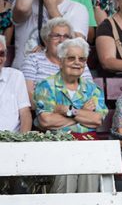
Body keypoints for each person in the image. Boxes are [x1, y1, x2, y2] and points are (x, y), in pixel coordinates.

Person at [34, 37, 107, 191]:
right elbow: (46, 121)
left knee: (89, 194)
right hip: (59, 149)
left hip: (88, 149)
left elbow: (97, 120)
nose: (77, 62)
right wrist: (83, 115)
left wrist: (68, 111)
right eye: (71, 58)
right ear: (61, 61)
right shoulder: (46, 86)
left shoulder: (92, 89)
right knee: (63, 191)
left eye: (82, 59)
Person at [11, 0, 89, 70]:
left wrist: (52, 9)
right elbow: (22, 8)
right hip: (24, 73)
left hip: (59, 75)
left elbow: (78, 46)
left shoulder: (77, 8)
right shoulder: (24, 3)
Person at [21, 17, 93, 100]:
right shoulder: (32, 60)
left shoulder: (78, 61)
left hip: (77, 110)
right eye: (56, 36)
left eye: (66, 36)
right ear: (45, 40)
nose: (61, 40)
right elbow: (27, 95)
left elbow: (90, 92)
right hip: (43, 110)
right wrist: (54, 108)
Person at [0, 35, 32, 132]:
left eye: (1, 53)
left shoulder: (16, 76)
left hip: (12, 141)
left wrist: (22, 144)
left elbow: (25, 113)